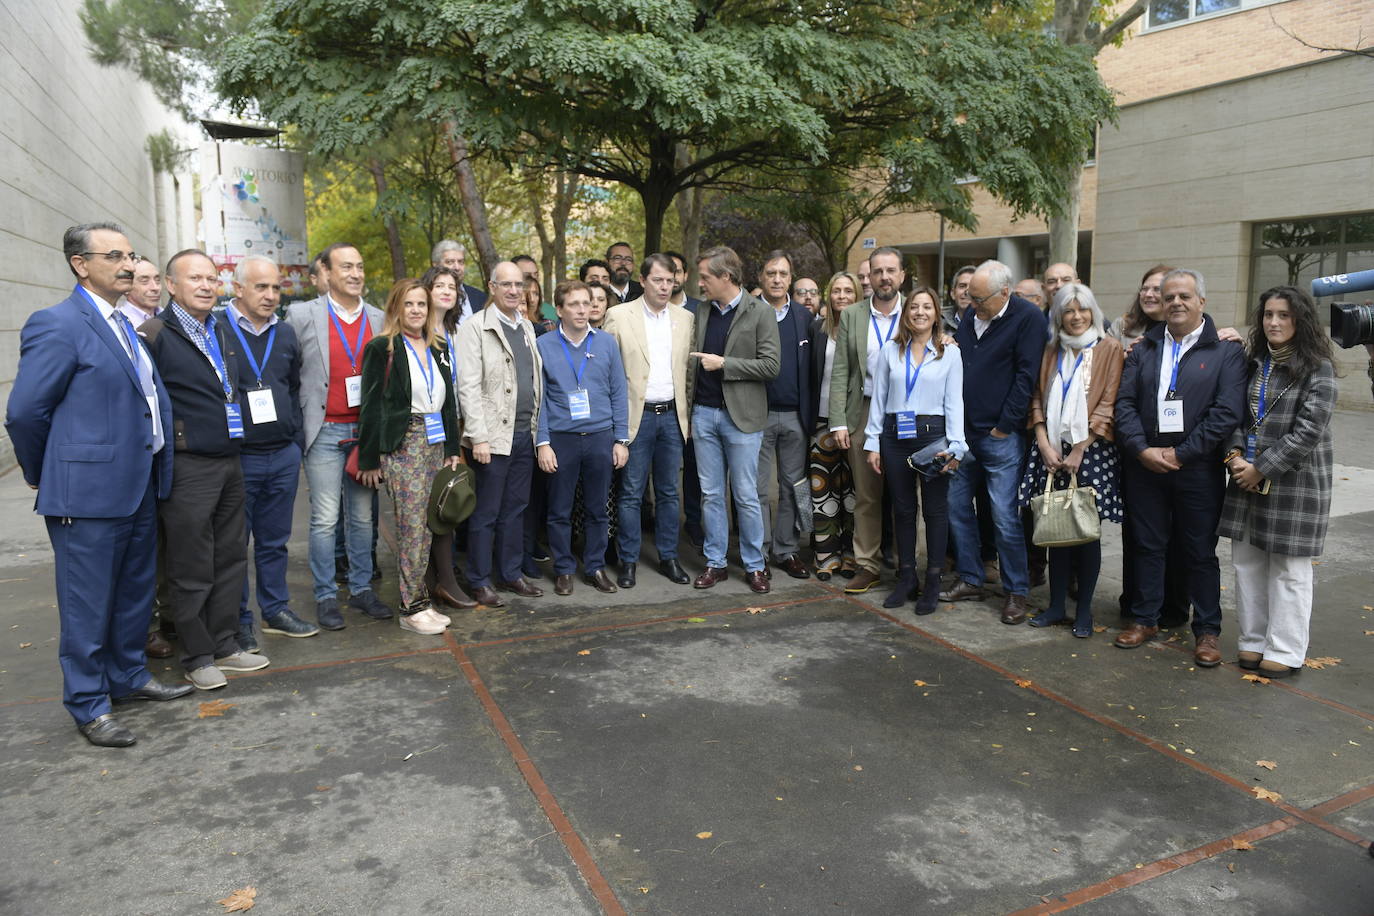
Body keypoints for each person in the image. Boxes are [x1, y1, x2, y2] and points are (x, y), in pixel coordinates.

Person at [6, 223, 188, 746]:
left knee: (132, 595)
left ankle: (127, 676)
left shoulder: (124, 324)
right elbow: (25, 414)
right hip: (84, 495)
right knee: (87, 605)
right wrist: (52, 474)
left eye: (131, 254)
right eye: (114, 255)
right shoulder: (58, 323)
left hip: (137, 486)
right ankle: (89, 703)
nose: (129, 264)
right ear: (80, 264)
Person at [143, 249, 266, 688]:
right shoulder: (154, 334)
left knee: (230, 557)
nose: (205, 285)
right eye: (194, 278)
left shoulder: (221, 330)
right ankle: (196, 656)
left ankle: (226, 645)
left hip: (230, 460)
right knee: (191, 564)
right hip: (188, 466)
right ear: (171, 286)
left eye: (212, 278)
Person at [1113, 268, 1247, 665]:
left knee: (1199, 552)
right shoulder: (1144, 349)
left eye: (1184, 296)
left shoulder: (1226, 352)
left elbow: (1226, 413)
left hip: (1197, 468)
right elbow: (1124, 406)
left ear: (1201, 302)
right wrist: (1142, 450)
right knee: (1148, 546)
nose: (1175, 303)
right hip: (1145, 465)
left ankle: (1207, 631)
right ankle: (1145, 618)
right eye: (1169, 297)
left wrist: (1181, 454)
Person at [1218, 286, 1335, 678]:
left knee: (1289, 570)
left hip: (1294, 482)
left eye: (1284, 315)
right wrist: (1234, 456)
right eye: (1268, 314)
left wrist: (1261, 468)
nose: (1274, 322)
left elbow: (1308, 431)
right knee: (1247, 563)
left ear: (1299, 320)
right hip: (1244, 475)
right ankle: (1253, 642)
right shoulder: (1253, 362)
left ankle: (1285, 649)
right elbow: (1232, 413)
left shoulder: (1318, 366)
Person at [287, 243, 394, 630]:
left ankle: (363, 589)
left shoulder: (380, 318)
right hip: (325, 431)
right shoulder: (301, 315)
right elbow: (290, 371)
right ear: (326, 273)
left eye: (360, 266)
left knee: (364, 518)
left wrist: (379, 439)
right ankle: (326, 595)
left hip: (365, 433)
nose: (355, 273)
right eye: (346, 266)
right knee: (325, 519)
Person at [940, 260, 1048, 624]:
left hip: (999, 436)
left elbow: (1026, 375)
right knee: (956, 508)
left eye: (979, 298)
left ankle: (1016, 590)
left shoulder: (1028, 318)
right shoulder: (972, 315)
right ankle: (971, 578)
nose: (972, 305)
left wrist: (1005, 426)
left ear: (1005, 292)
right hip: (963, 434)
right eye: (969, 297)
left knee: (1004, 516)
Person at [1018, 283, 1125, 637]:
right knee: (1054, 531)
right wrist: (1043, 442)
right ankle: (1054, 607)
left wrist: (1080, 448)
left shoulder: (1109, 348)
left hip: (1090, 452)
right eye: (1068, 310)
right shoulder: (1051, 348)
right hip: (1049, 450)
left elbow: (1108, 403)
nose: (1076, 317)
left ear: (1093, 311)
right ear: (1058, 315)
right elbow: (1036, 396)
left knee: (1085, 534)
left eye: (1082, 309)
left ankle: (1084, 612)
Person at [356, 280, 462, 634]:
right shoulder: (381, 348)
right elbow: (370, 406)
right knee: (411, 528)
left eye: (421, 304)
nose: (416, 310)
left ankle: (421, 600)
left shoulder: (437, 346)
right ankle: (410, 607)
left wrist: (451, 449)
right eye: (409, 304)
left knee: (428, 527)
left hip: (435, 444)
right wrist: (369, 459)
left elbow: (449, 403)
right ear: (396, 309)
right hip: (404, 445)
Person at [226, 256, 316, 649]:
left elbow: (293, 386)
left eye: (276, 288)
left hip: (281, 455)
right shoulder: (218, 328)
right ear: (238, 288)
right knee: (233, 545)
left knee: (274, 541)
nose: (270, 295)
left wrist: (295, 443)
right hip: (238, 457)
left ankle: (276, 610)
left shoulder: (285, 334)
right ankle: (238, 620)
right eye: (261, 287)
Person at [863, 285, 965, 614]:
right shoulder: (891, 352)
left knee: (935, 511)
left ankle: (933, 579)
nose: (920, 312)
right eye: (914, 307)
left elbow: (955, 403)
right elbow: (878, 399)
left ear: (937, 314)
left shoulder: (949, 352)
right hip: (894, 435)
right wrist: (872, 441)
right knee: (903, 511)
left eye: (927, 307)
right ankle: (907, 578)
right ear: (906, 314)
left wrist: (956, 446)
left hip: (933, 437)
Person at [689, 246, 781, 593]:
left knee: (745, 495)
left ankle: (755, 565)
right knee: (711, 495)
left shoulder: (760, 312)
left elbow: (771, 367)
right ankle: (716, 563)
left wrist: (725, 363)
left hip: (742, 418)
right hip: (704, 414)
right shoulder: (701, 310)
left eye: (706, 277)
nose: (701, 284)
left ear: (725, 277)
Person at [1105, 264, 1191, 628]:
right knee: (1139, 532)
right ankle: (1137, 602)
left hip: (1179, 449)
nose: (1153, 295)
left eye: (1162, 289)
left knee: (1177, 534)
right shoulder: (1124, 331)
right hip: (1134, 444)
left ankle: (1173, 606)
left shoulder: (1188, 334)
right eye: (1148, 289)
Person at [602, 254, 694, 588]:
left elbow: (687, 374)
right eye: (658, 280)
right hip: (634, 419)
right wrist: (616, 428)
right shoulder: (618, 316)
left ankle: (669, 557)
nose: (664, 286)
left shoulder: (684, 319)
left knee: (670, 493)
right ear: (643, 281)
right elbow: (609, 375)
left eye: (670, 281)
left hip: (671, 417)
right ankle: (628, 560)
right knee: (631, 493)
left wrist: (688, 418)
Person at [457, 261, 545, 606]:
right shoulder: (475, 328)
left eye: (518, 285)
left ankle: (510, 574)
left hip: (525, 433)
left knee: (516, 509)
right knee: (487, 513)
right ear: (491, 287)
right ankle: (479, 579)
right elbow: (468, 387)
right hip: (492, 439)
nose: (512, 290)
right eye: (505, 284)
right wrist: (478, 437)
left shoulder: (526, 327)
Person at [536, 280, 630, 595]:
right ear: (559, 309)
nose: (581, 310)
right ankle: (563, 569)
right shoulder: (544, 345)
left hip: (601, 436)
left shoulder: (605, 343)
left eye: (586, 303)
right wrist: (543, 441)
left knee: (597, 508)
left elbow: (619, 391)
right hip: (561, 438)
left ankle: (595, 567)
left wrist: (621, 439)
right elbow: (541, 399)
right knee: (559, 509)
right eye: (573, 304)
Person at [828, 247, 906, 594]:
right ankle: (868, 565)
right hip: (863, 410)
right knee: (867, 495)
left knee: (907, 494)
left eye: (891, 271)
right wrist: (839, 421)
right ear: (869, 277)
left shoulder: (915, 310)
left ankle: (908, 567)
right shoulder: (854, 315)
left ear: (901, 275)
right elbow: (842, 370)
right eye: (878, 271)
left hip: (906, 413)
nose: (884, 277)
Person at [755, 250, 815, 578]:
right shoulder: (748, 313)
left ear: (790, 278)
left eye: (783, 273)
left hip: (795, 416)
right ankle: (759, 552)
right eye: (770, 273)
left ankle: (786, 550)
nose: (777, 279)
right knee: (757, 488)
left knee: (793, 486)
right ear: (761, 278)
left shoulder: (805, 318)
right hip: (757, 416)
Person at [809, 271, 860, 580]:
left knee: (853, 492)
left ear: (857, 296)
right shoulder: (818, 330)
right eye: (837, 291)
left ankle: (853, 554)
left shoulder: (865, 332)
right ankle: (826, 554)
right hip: (820, 420)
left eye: (848, 291)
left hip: (853, 420)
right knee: (822, 489)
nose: (842, 296)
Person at [431, 239, 487, 320]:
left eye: (461, 262)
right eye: (450, 262)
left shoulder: (480, 298)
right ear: (436, 265)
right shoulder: (424, 295)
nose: (457, 267)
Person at [118, 256, 162, 326]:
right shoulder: (120, 323)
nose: (155, 288)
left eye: (157, 280)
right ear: (126, 288)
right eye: (145, 281)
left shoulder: (171, 317)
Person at [941, 266, 975, 336]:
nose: (967, 292)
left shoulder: (990, 325)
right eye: (962, 286)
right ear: (953, 293)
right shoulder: (938, 324)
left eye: (972, 287)